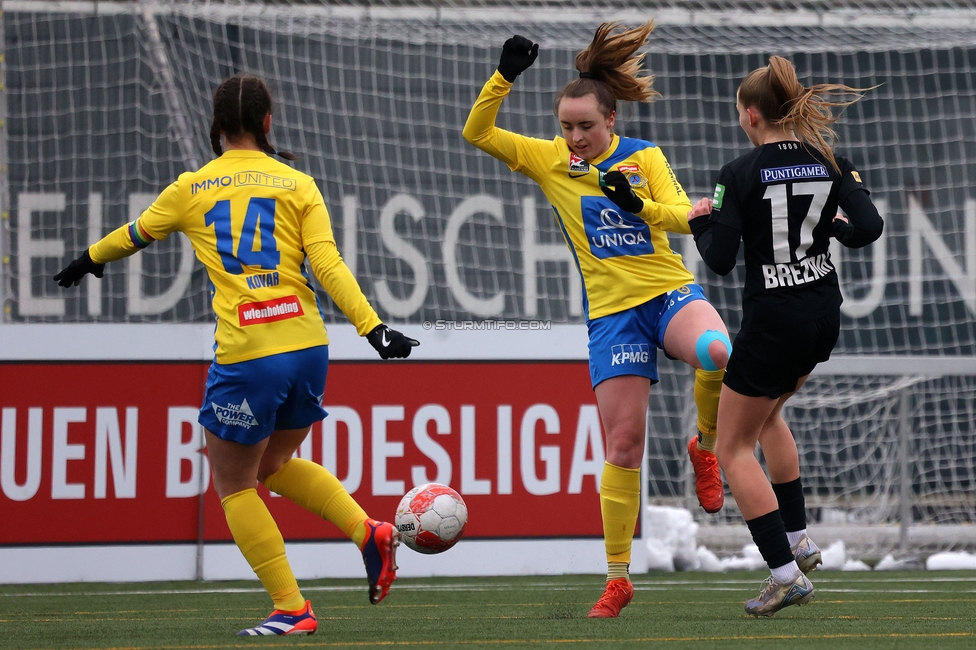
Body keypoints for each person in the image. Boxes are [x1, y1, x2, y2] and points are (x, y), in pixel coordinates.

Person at [54, 73, 419, 636]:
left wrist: (88, 258)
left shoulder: (193, 187)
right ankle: (367, 531)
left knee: (233, 484)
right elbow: (327, 265)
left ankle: (291, 607)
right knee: (272, 465)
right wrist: (375, 330)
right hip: (308, 347)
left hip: (249, 353)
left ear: (217, 128)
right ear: (268, 123)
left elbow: (135, 232)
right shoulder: (298, 183)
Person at [464, 22, 732, 618]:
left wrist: (636, 204)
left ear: (611, 120)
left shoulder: (644, 157)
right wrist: (503, 77)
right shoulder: (551, 161)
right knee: (624, 446)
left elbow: (688, 219)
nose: (575, 137)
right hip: (613, 316)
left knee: (717, 350)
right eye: (566, 127)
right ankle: (618, 578)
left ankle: (705, 446)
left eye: (586, 126)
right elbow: (475, 131)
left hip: (666, 293)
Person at [687, 56, 883, 616]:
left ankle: (784, 574)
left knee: (730, 448)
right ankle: (797, 539)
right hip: (823, 317)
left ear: (751, 115)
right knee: (769, 415)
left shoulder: (739, 172)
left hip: (774, 324)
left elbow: (720, 261)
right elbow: (868, 227)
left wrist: (704, 219)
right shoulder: (829, 162)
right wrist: (833, 229)